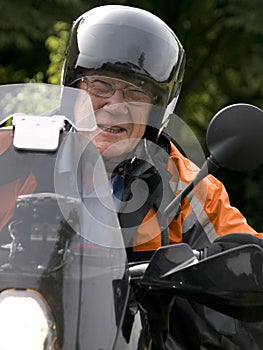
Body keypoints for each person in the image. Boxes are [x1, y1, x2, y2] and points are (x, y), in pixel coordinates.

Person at [59, 5, 263, 349]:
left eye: (137, 93)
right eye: (101, 86)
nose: (116, 105)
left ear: (158, 108)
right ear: (74, 88)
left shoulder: (189, 186)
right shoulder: (18, 152)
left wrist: (239, 268)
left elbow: (247, 262)